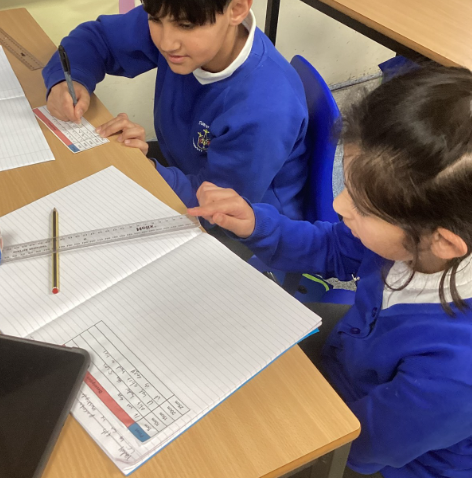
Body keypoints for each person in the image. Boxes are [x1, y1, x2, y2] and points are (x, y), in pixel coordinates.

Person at [187, 65, 472, 478]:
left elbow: (360, 447)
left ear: (443, 242)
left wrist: (273, 423)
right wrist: (256, 224)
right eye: (347, 187)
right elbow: (333, 247)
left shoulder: (455, 372)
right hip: (345, 368)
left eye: (362, 207)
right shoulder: (415, 238)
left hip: (386, 460)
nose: (338, 205)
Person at [42, 0, 308, 218]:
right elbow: (97, 38)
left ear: (236, 9)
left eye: (186, 25)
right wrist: (68, 79)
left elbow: (219, 211)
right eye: (155, 18)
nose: (166, 42)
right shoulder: (177, 17)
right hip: (181, 172)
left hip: (243, 223)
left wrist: (144, 167)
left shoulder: (266, 106)